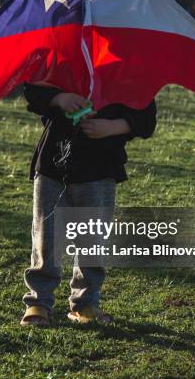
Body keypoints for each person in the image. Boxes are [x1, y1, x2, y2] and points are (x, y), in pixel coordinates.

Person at [20, 82, 157, 327]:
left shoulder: (129, 72)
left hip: (99, 168)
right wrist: (60, 98)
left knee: (92, 239)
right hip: (53, 163)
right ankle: (38, 302)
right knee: (46, 235)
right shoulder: (65, 59)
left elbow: (146, 120)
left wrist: (112, 127)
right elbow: (33, 92)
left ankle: (85, 302)